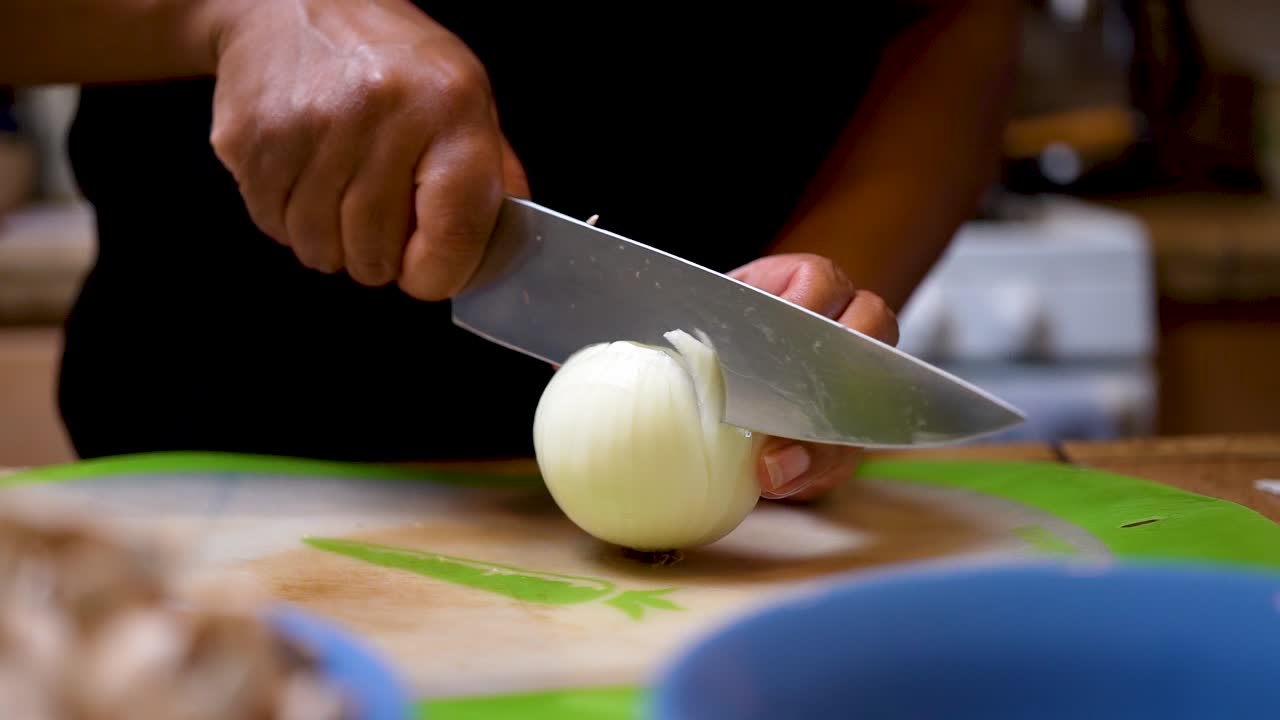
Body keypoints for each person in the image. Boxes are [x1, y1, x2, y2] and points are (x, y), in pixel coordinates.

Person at [1, 1, 1020, 502]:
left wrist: (797, 338)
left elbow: (957, 24)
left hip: (748, 541)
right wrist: (240, 8)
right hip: (216, 457)